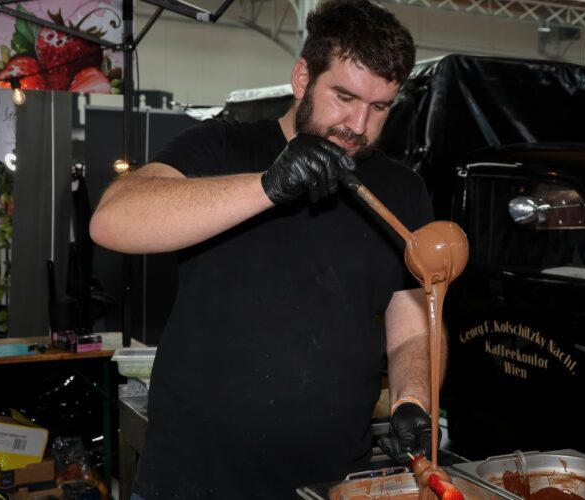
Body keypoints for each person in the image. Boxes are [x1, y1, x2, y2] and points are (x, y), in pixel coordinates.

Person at [89, 0, 445, 497]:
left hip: (330, 479)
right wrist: (268, 185)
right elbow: (113, 219)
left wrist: (412, 400)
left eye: (380, 107)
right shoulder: (222, 146)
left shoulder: (403, 190)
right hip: (194, 479)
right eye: (344, 96)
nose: (359, 125)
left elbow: (411, 329)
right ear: (302, 78)